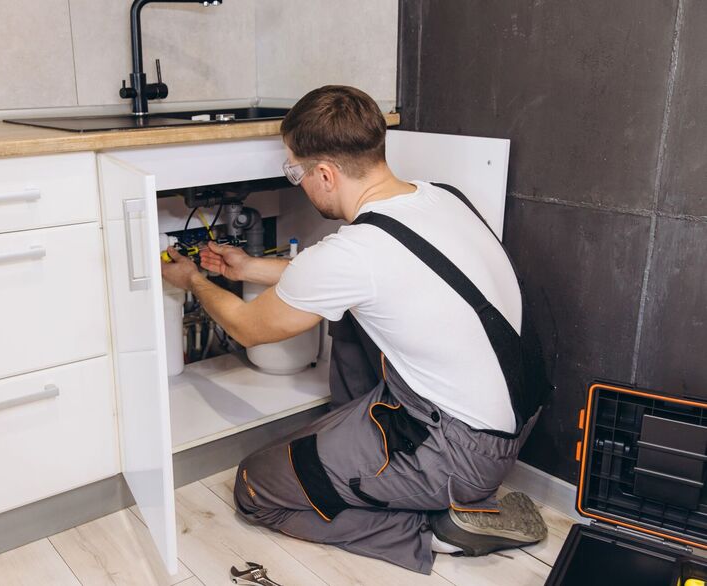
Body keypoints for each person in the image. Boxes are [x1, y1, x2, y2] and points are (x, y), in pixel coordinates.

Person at [160, 85, 548, 575]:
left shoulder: (355, 252)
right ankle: (360, 459)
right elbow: (342, 280)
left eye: (294, 171)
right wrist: (248, 268)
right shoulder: (440, 198)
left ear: (324, 173)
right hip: (512, 421)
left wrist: (192, 279)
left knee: (256, 488)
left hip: (457, 451)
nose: (296, 181)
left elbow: (249, 328)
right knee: (348, 317)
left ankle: (442, 531)